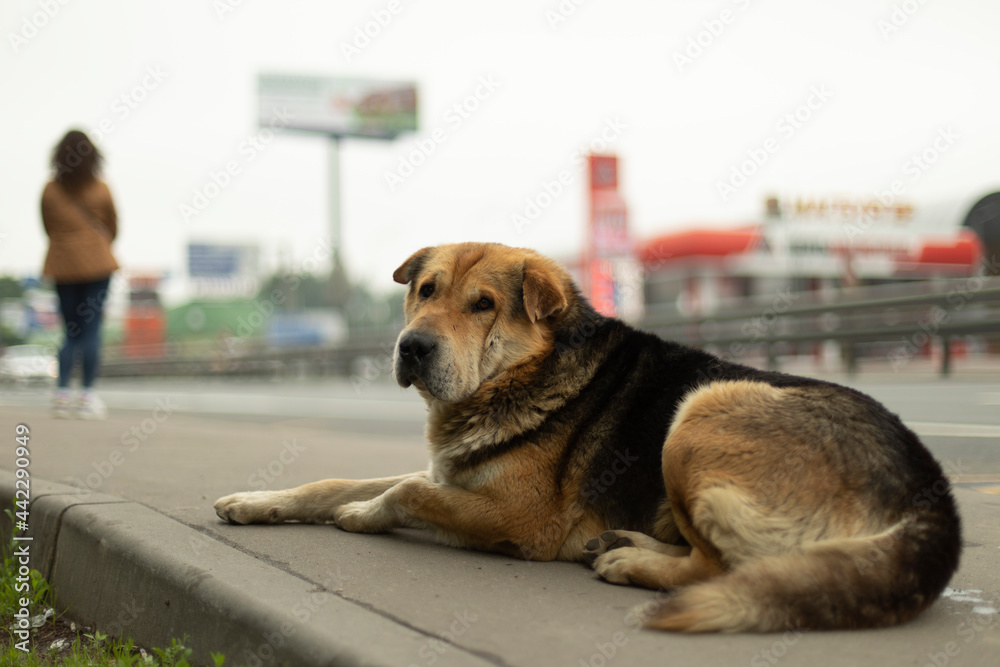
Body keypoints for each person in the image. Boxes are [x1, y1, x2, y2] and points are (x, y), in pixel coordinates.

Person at [41, 130, 119, 419]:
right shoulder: (101, 189)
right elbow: (113, 226)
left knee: (70, 331)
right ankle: (86, 396)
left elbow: (48, 227)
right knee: (91, 329)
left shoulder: (50, 190)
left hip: (63, 266)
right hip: (97, 265)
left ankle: (62, 395)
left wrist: (66, 246)